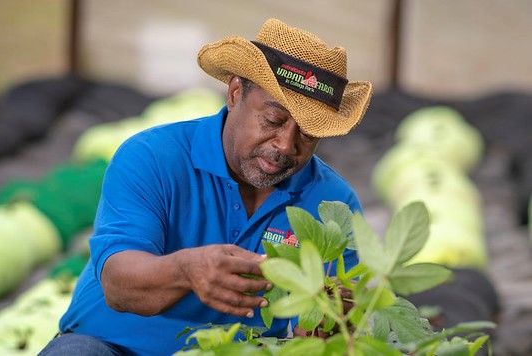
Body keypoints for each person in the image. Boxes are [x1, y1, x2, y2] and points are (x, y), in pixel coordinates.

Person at [39, 18, 372, 355]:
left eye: (309, 132)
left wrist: (327, 325)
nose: (286, 145)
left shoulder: (333, 204)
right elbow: (119, 284)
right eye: (273, 120)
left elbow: (333, 318)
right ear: (235, 92)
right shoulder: (154, 157)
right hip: (112, 346)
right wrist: (187, 270)